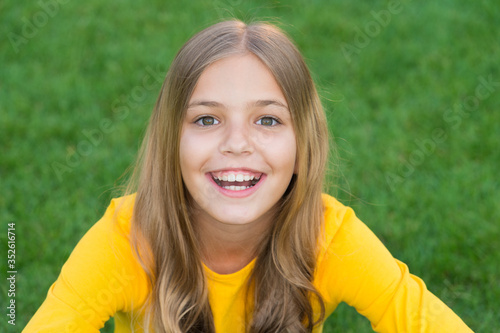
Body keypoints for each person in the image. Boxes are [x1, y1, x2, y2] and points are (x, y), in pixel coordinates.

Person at [24, 20, 473, 333]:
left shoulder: (329, 238)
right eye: (206, 120)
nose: (237, 144)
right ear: (171, 143)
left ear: (303, 147)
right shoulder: (127, 240)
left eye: (268, 120)